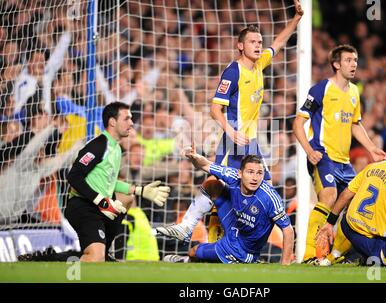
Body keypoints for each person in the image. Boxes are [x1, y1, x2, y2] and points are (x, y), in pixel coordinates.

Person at [157, 0, 304, 242]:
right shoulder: (233, 72)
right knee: (217, 180)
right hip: (234, 140)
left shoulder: (259, 65)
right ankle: (189, 226)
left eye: (259, 42)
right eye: (252, 42)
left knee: (255, 186)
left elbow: (278, 43)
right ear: (240, 46)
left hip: (251, 141)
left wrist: (296, 19)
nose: (258, 46)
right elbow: (215, 109)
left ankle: (229, 242)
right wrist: (231, 132)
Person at [293, 44, 386, 263]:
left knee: (355, 206)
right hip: (323, 155)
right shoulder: (321, 89)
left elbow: (355, 124)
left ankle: (334, 256)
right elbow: (298, 123)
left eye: (355, 60)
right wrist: (309, 151)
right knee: (329, 197)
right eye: (348, 60)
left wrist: (371, 148)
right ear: (336, 64)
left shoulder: (354, 92)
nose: (353, 64)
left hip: (344, 163)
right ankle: (308, 254)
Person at [64, 102, 170, 262]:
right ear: (113, 122)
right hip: (82, 205)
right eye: (126, 118)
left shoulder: (117, 149)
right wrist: (102, 201)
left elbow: (111, 183)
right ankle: (52, 261)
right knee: (95, 258)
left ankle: (103, 252)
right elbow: (73, 176)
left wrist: (139, 190)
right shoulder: (98, 146)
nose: (132, 123)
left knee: (128, 198)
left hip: (99, 206)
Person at [315, 135, 386, 268]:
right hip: (373, 243)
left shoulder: (373, 167)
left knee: (351, 213)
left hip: (348, 227)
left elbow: (346, 194)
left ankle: (337, 254)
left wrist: (330, 222)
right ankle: (363, 257)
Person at [164, 147, 294, 264]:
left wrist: (285, 264)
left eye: (259, 173)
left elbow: (288, 230)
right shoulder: (232, 175)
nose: (255, 178)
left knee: (194, 252)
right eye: (250, 172)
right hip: (233, 222)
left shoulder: (269, 197)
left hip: (241, 249)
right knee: (212, 182)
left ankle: (185, 261)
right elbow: (206, 165)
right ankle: (186, 227)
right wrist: (193, 156)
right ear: (240, 173)